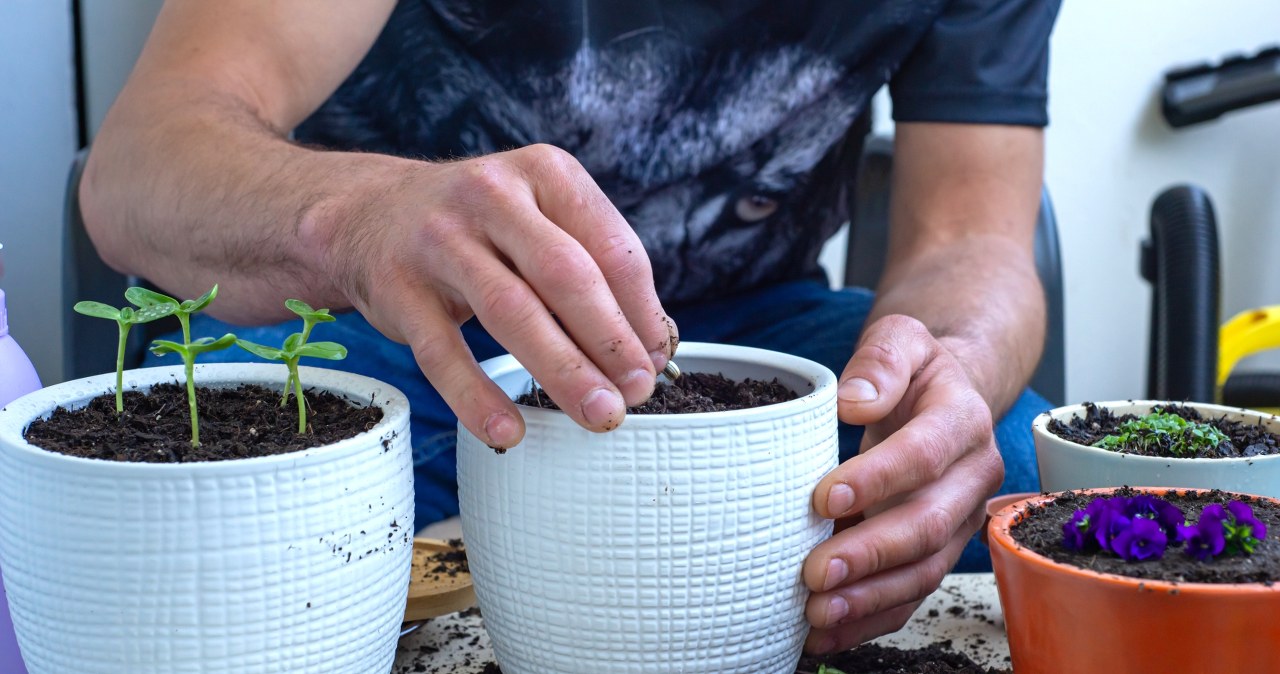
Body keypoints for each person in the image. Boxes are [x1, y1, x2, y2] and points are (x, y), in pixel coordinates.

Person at [81, 0, 1062, 655]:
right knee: (209, 529)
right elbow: (137, 167)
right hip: (383, 316)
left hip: (759, 324)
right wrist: (355, 215)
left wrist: (949, 366)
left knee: (1008, 467)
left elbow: (970, 233)